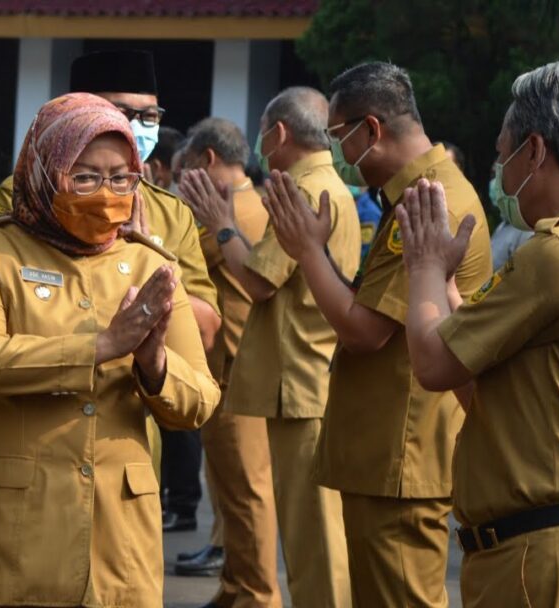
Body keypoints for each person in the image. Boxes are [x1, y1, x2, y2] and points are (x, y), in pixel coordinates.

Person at [0, 92, 220, 607]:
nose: (105, 193)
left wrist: (154, 365)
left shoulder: (150, 263)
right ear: (43, 169)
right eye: (84, 177)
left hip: (115, 547)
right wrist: (103, 345)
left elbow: (200, 401)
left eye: (121, 178)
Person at [396, 59, 559, 606]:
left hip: (541, 553)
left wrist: (422, 265)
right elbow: (488, 388)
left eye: (503, 153)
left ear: (534, 150)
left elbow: (432, 363)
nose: (500, 170)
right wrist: (447, 287)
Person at [263, 62, 492, 607]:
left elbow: (365, 332)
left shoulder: (429, 199)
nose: (337, 154)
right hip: (387, 447)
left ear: (371, 129)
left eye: (338, 137)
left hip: (401, 450)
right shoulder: (414, 192)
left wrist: (308, 251)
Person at [184, 86, 360, 607]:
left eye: (262, 133)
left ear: (279, 133)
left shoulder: (302, 189)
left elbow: (259, 282)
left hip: (301, 381)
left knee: (315, 541)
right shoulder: (326, 183)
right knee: (309, 537)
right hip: (311, 375)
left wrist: (221, 227)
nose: (259, 146)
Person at [0, 50, 221, 351]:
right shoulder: (29, 194)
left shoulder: (171, 212)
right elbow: (4, 305)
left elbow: (205, 329)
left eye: (149, 116)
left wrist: (144, 263)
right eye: (120, 113)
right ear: (77, 116)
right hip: (49, 366)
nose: (136, 127)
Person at [174, 117, 281, 605]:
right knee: (231, 491)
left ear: (208, 159)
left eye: (186, 170)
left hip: (238, 372)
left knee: (245, 492)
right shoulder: (247, 203)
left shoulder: (234, 210)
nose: (182, 182)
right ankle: (237, 587)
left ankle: (257, 595)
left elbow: (178, 257)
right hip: (227, 371)